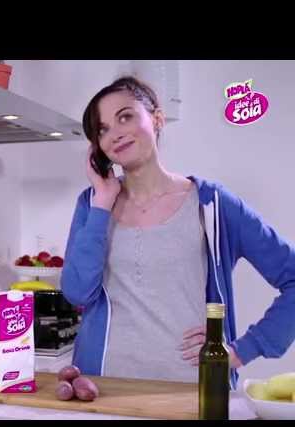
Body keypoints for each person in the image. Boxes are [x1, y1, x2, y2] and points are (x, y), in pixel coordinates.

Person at [61, 76, 295, 387]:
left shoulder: (213, 204)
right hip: (103, 389)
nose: (115, 134)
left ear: (157, 118)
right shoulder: (92, 204)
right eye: (102, 130)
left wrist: (242, 350)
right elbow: (77, 292)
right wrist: (103, 203)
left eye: (125, 117)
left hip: (193, 389)